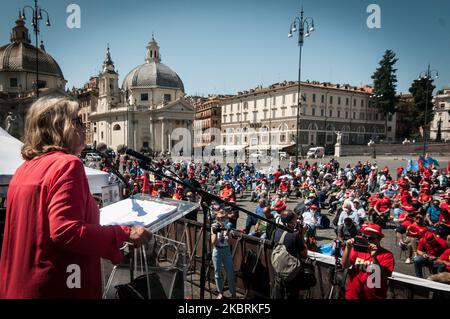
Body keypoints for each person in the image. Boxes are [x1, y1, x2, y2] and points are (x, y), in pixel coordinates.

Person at [0, 96, 151, 299]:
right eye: (77, 121)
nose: (84, 128)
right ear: (59, 127)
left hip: (19, 285)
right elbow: (65, 231)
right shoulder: (67, 164)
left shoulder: (24, 169)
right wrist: (124, 233)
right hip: (57, 286)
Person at [341, 223, 395, 299]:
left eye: (371, 238)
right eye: (364, 237)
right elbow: (345, 265)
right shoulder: (357, 250)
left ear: (379, 239)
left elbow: (382, 277)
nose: (367, 241)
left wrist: (374, 257)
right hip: (353, 295)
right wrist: (348, 248)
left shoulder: (387, 255)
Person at [272, 210, 308, 299]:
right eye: (296, 219)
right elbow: (304, 253)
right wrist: (302, 235)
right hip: (291, 272)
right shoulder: (294, 236)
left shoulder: (277, 231)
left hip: (279, 270)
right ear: (292, 221)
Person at [211, 210, 236, 299]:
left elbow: (230, 242)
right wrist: (216, 232)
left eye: (223, 218)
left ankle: (233, 293)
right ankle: (220, 292)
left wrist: (227, 232)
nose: (222, 219)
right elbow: (213, 242)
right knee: (217, 273)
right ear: (217, 218)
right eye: (220, 218)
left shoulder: (228, 226)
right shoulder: (214, 226)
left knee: (230, 273)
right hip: (217, 250)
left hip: (226, 250)